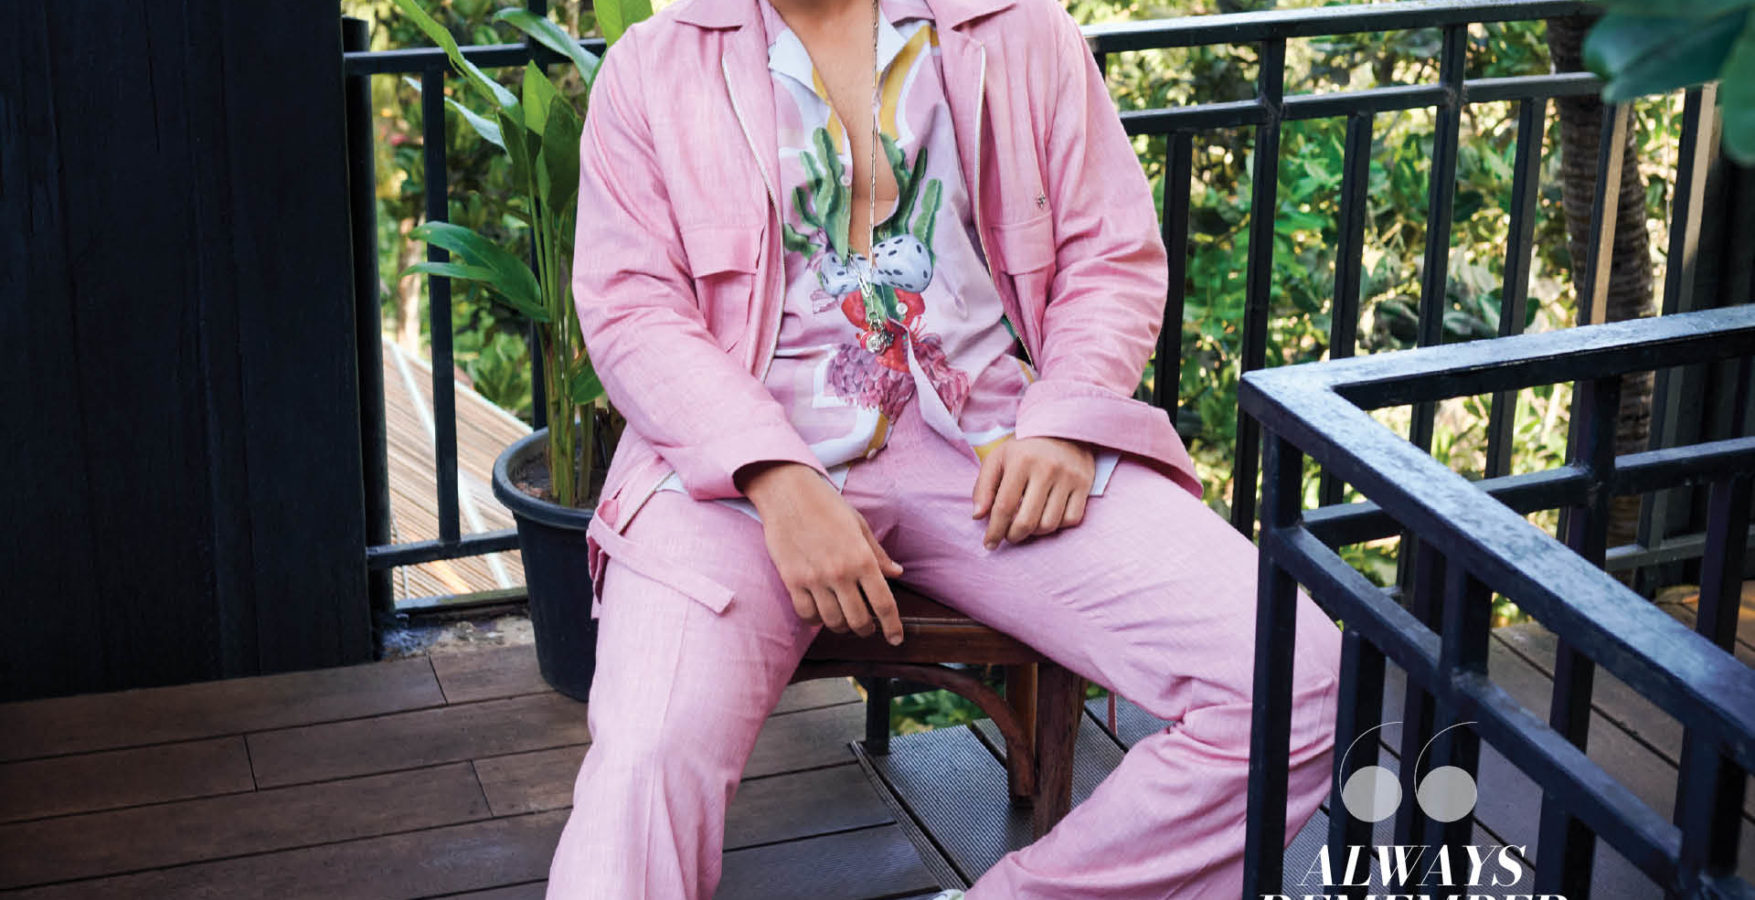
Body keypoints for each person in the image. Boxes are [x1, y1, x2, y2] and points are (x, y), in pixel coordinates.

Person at [546, 0, 1344, 892]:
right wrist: (772, 475)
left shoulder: (1020, 30)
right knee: (645, 765)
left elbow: (1108, 253)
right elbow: (632, 310)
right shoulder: (655, 64)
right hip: (731, 460)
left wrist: (1065, 417)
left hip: (985, 441)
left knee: (1292, 679)